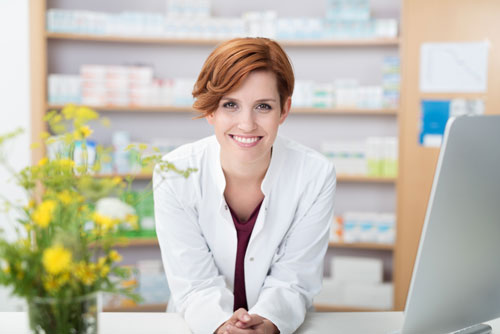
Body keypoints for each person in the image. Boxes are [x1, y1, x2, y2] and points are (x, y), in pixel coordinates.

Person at [153, 37, 336, 334]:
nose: (247, 124)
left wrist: (269, 322)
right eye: (230, 105)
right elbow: (194, 282)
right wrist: (220, 325)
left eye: (263, 106)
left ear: (284, 110)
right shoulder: (174, 173)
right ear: (211, 110)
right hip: (200, 325)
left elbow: (295, 278)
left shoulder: (314, 174)